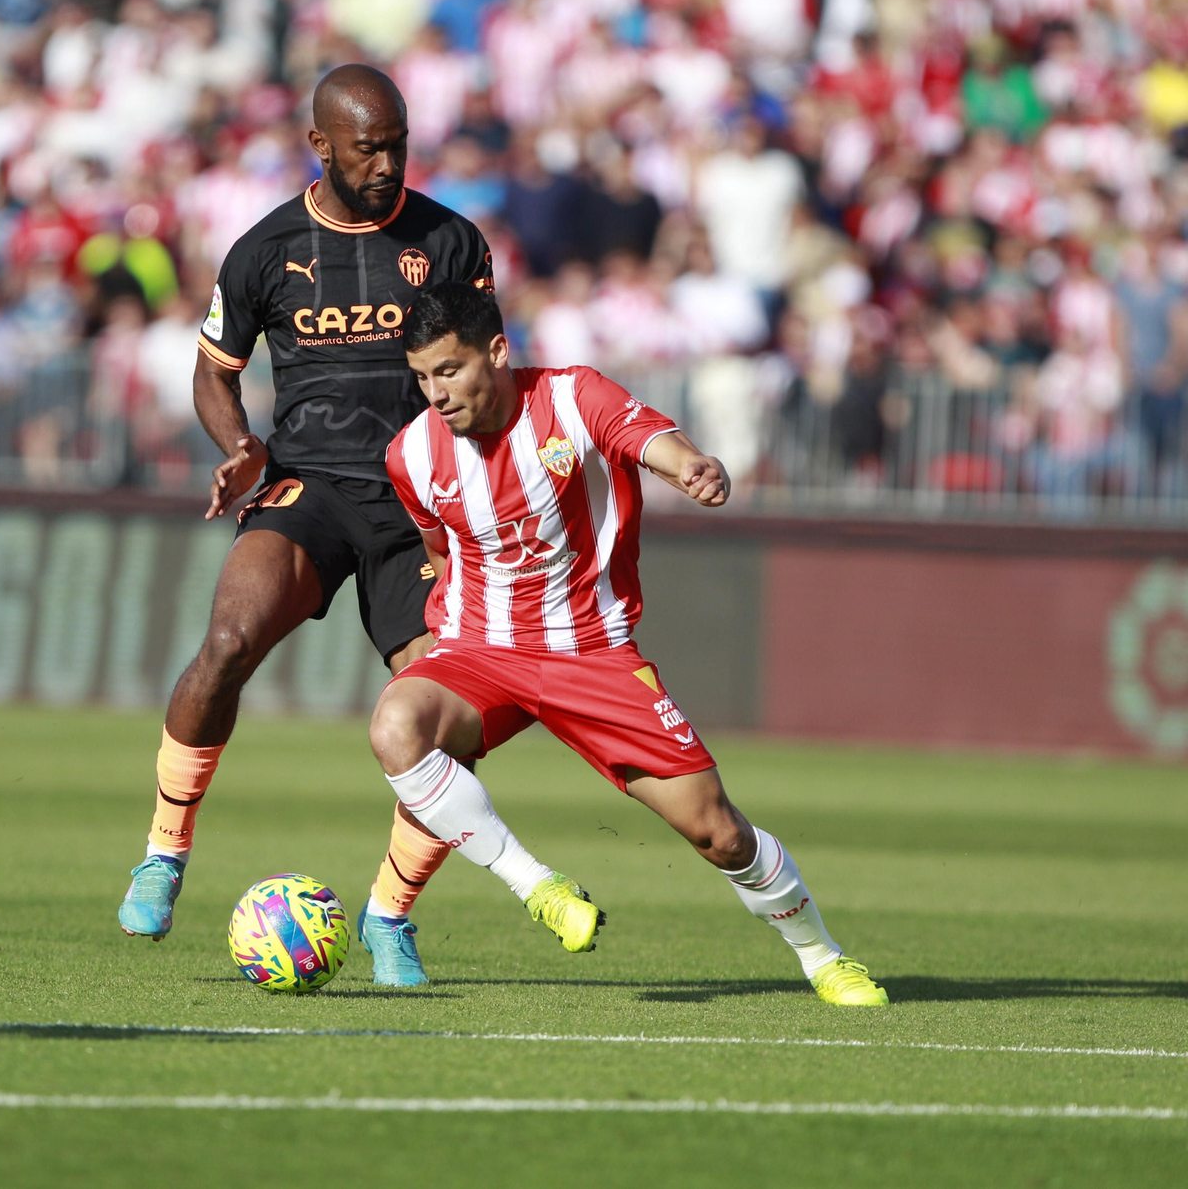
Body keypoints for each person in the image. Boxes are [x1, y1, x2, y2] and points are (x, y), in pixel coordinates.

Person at [120, 65, 536, 986]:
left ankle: (390, 917)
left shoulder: (451, 240)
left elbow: (485, 373)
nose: (387, 163)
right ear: (322, 146)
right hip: (308, 486)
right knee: (227, 641)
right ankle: (164, 850)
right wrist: (237, 445)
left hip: (420, 505)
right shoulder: (265, 248)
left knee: (443, 722)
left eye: (397, 143)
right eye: (368, 147)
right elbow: (213, 371)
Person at [370, 280, 889, 1006]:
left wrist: (693, 467)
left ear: (496, 350)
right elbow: (442, 547)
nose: (436, 393)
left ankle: (823, 957)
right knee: (397, 725)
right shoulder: (412, 454)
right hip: (481, 651)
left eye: (449, 371)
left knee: (719, 835)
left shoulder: (573, 397)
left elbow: (650, 441)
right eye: (421, 377)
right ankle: (538, 888)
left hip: (592, 653)